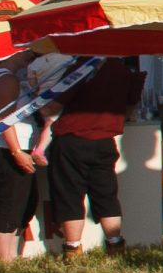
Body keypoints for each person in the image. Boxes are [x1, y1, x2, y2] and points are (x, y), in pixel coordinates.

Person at [48, 55, 144, 252]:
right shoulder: (124, 71)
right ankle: (115, 243)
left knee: (70, 195)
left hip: (72, 138)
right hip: (104, 141)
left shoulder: (81, 68)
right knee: (106, 194)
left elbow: (55, 105)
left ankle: (72, 248)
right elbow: (129, 107)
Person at [0, 55, 43, 262]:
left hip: (13, 148)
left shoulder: (9, 78)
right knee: (10, 206)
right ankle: (5, 258)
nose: (29, 54)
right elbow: (4, 118)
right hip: (9, 150)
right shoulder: (7, 79)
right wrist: (17, 152)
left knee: (22, 205)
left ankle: (10, 256)